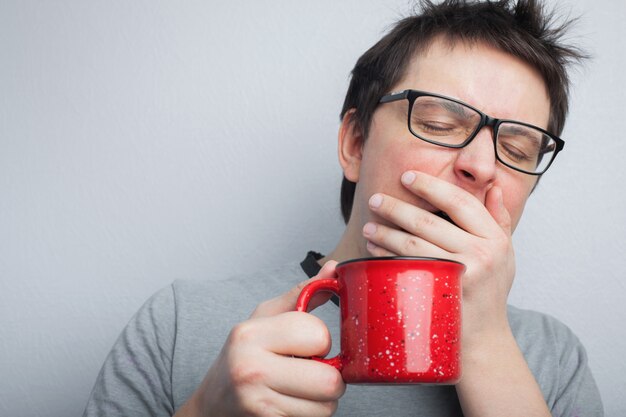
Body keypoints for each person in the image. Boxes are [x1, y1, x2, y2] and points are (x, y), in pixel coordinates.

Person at [83, 1, 604, 416]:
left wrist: (486, 342)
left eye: (516, 149)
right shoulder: (180, 323)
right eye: (441, 124)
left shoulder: (552, 358)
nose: (481, 165)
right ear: (355, 144)